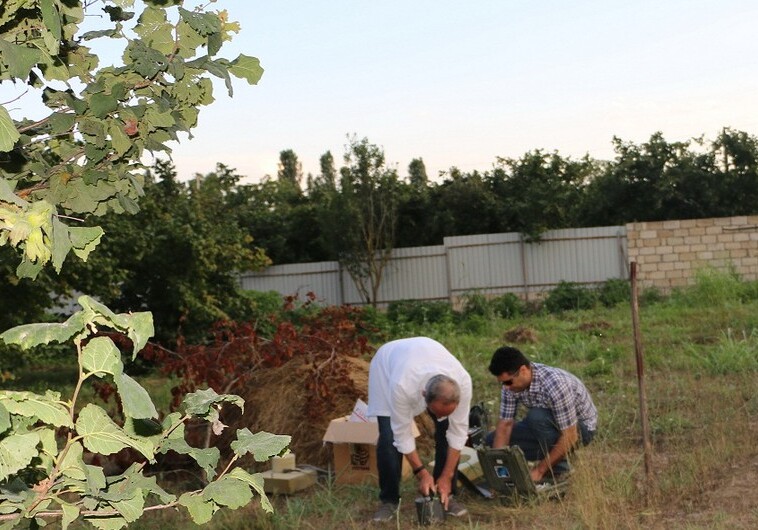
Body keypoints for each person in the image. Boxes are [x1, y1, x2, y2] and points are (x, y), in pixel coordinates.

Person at [367, 337, 472, 523]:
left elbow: (458, 434)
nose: (439, 417)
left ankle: (446, 493)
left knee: (447, 430)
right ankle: (389, 501)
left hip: (423, 353)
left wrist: (446, 475)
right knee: (388, 436)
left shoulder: (463, 383)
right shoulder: (401, 385)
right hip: (387, 365)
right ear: (425, 396)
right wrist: (422, 473)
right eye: (437, 412)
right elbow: (402, 434)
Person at [487, 346, 597, 482]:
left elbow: (571, 434)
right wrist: (500, 468)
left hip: (580, 429)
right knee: (491, 442)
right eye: (502, 383)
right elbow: (505, 425)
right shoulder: (509, 386)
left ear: (523, 370)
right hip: (545, 426)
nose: (506, 387)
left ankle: (559, 471)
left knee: (537, 417)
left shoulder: (556, 385)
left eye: (508, 382)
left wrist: (539, 470)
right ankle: (511, 477)